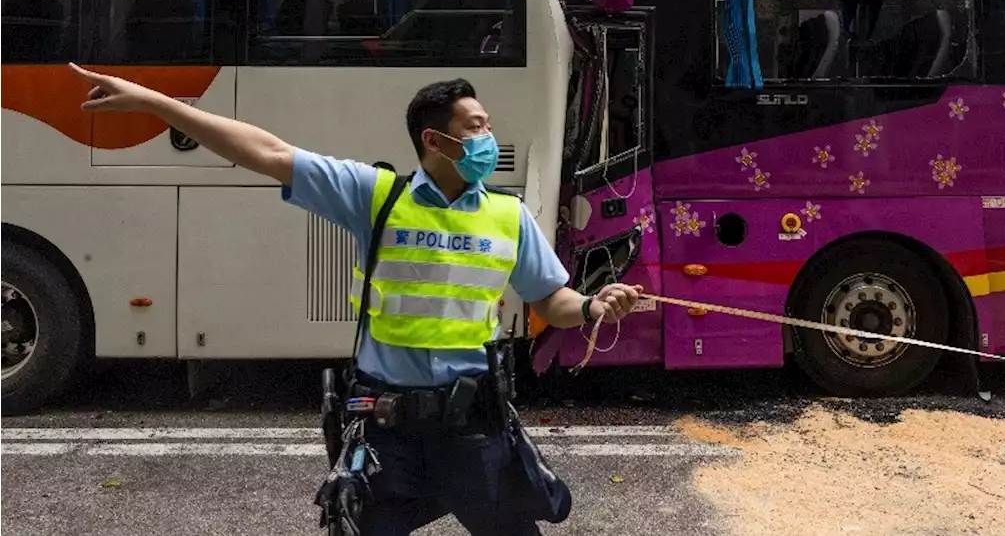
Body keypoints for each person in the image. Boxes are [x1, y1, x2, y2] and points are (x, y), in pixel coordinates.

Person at [69, 64, 641, 535]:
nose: (487, 138)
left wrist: (591, 306)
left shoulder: (508, 216)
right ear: (434, 140)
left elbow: (552, 298)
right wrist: (156, 102)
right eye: (475, 128)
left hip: (473, 426)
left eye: (486, 126)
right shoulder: (377, 196)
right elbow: (266, 152)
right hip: (386, 427)